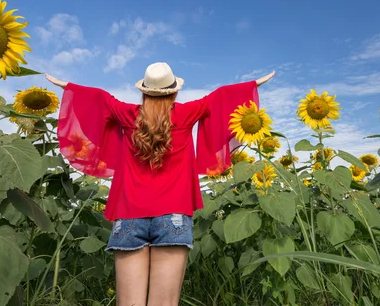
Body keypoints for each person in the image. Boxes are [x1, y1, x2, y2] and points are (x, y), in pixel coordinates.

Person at [46, 62, 274, 306]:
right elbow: (217, 98)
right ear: (174, 92)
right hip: (173, 215)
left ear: (143, 92)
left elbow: (100, 98)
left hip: (129, 215)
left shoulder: (127, 114)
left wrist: (68, 87)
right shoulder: (186, 113)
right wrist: (252, 85)